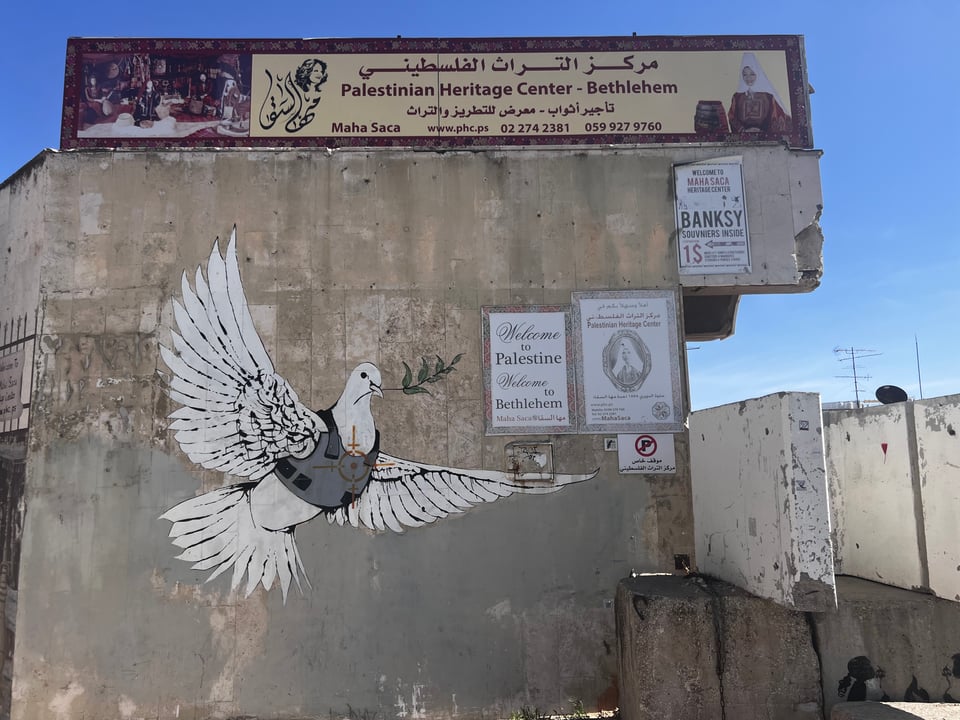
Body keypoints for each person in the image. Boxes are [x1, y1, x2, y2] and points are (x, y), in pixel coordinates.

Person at [728, 52, 791, 134]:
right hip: (743, 138)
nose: (748, 78)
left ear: (757, 74)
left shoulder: (768, 97)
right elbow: (732, 117)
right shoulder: (737, 97)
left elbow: (775, 117)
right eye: (745, 75)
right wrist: (744, 131)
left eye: (752, 74)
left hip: (765, 139)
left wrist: (762, 132)